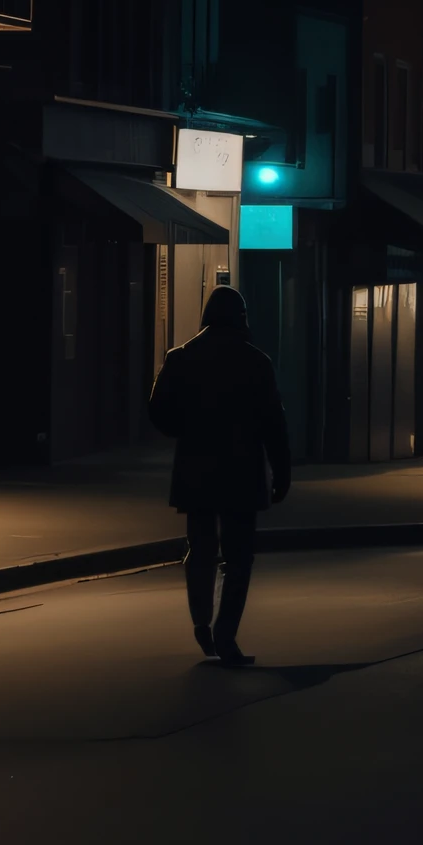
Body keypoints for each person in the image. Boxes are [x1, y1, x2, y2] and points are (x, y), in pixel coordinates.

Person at [144, 283, 293, 666]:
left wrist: (187, 430)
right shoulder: (257, 363)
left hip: (196, 470)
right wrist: (282, 469)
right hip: (242, 471)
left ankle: (200, 623)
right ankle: (227, 635)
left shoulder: (180, 358)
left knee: (201, 547)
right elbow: (273, 423)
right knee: (239, 555)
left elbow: (158, 411)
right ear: (241, 319)